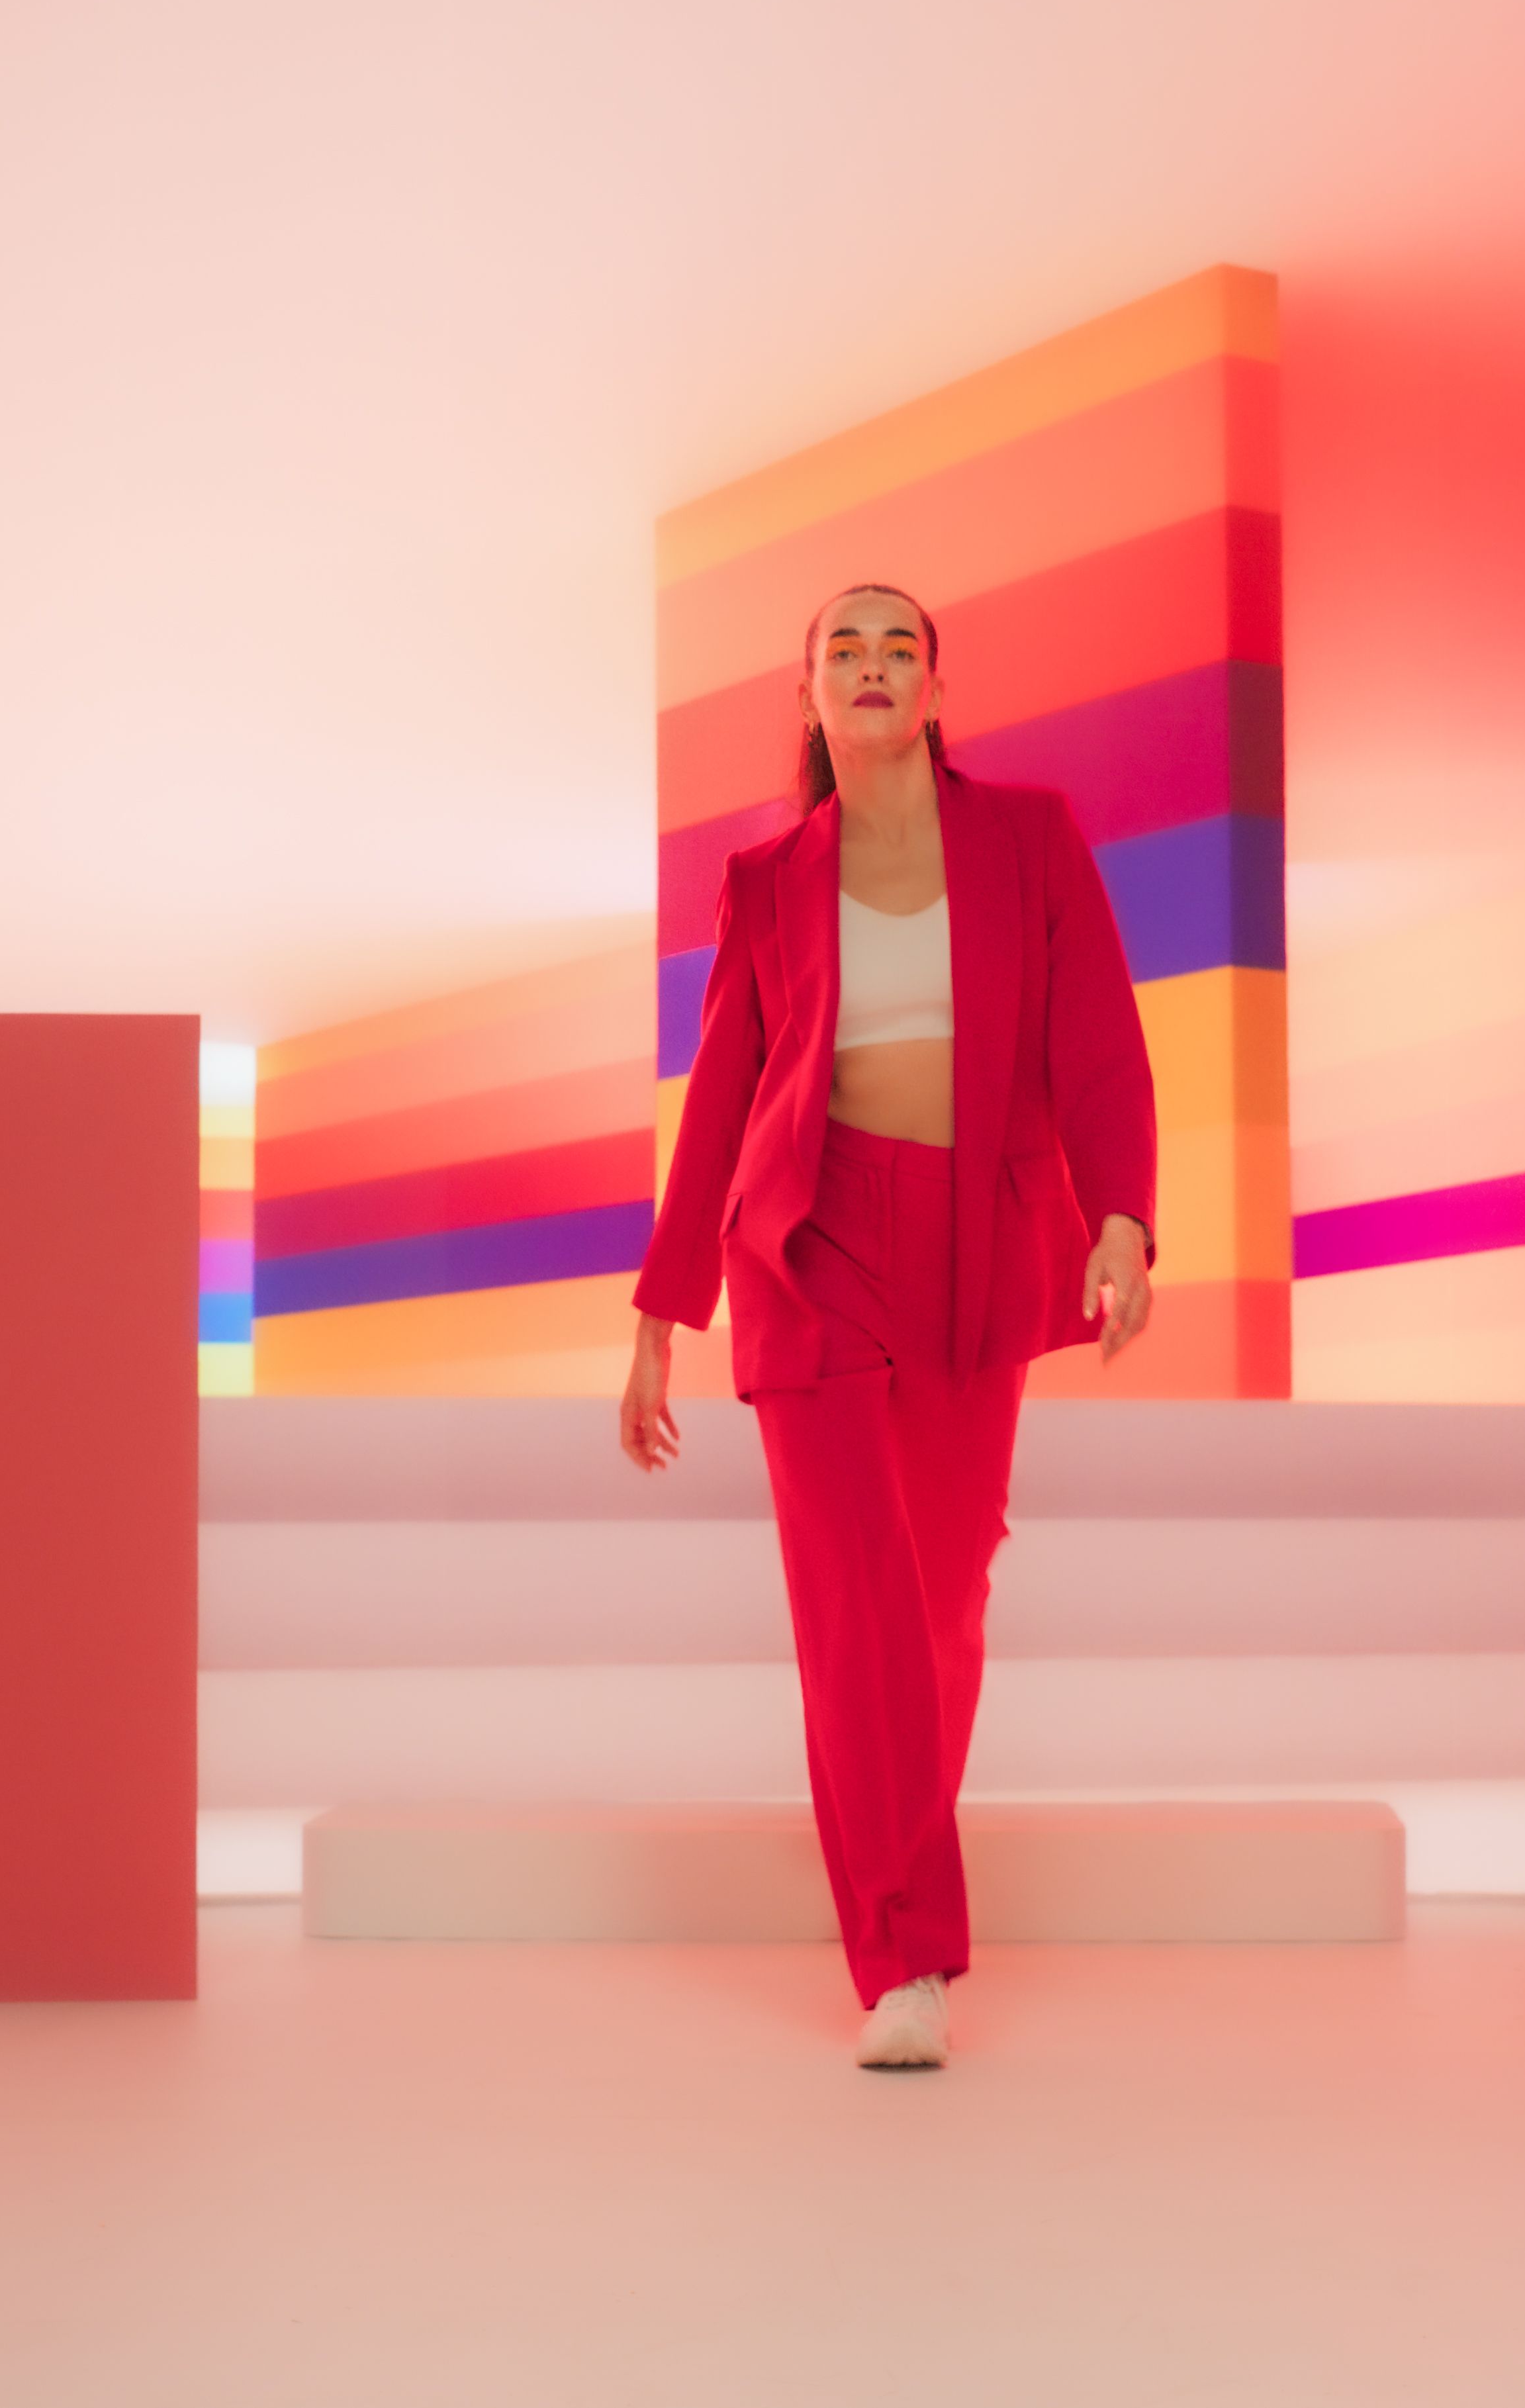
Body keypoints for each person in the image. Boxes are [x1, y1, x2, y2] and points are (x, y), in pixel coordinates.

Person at [617, 581, 1160, 2071]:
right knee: (859, 1620)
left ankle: (893, 1885)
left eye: (895, 647)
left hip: (982, 1245)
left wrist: (1121, 1216)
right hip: (818, 1245)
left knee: (941, 1608)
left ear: (934, 689)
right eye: (841, 650)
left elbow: (1100, 1043)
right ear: (811, 697)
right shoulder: (768, 881)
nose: (870, 667)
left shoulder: (1031, 841)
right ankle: (903, 1960)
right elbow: (724, 1093)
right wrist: (667, 1311)